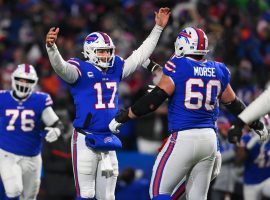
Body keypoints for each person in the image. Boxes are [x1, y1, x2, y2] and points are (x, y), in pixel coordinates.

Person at [109, 27, 267, 200]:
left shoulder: (178, 65)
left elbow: (154, 100)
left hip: (183, 138)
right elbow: (234, 103)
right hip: (210, 141)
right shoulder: (218, 69)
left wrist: (127, 114)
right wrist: (255, 123)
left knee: (158, 193)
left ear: (182, 46)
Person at [45, 7, 171, 200]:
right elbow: (61, 68)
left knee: (108, 196)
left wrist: (158, 29)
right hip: (85, 138)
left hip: (109, 137)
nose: (106, 56)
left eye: (108, 51)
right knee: (86, 195)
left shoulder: (114, 68)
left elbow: (139, 55)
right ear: (90, 51)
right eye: (102, 51)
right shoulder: (80, 69)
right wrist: (52, 49)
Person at [0, 64, 63, 200]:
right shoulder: (2, 98)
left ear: (34, 83)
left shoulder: (40, 100)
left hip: (32, 156)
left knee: (29, 197)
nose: (24, 83)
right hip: (7, 153)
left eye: (28, 81)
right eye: (21, 79)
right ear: (13, 79)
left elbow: (56, 123)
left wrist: (56, 130)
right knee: (13, 190)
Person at [236, 116, 270, 200]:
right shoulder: (247, 138)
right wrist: (248, 147)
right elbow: (238, 160)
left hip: (267, 179)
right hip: (250, 181)